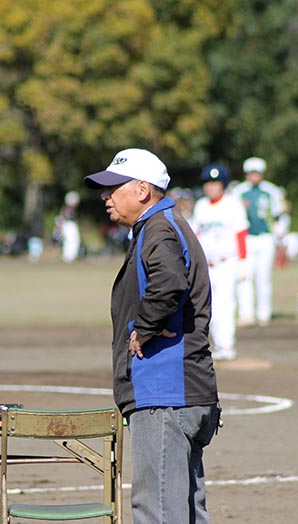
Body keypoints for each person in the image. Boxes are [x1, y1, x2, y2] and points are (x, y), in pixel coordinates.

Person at [84, 148, 221, 524]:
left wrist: (144, 327)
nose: (105, 196)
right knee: (187, 509)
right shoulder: (162, 225)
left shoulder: (158, 227)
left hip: (165, 392)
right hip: (183, 390)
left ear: (142, 190)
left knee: (157, 510)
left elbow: (169, 282)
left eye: (114, 187)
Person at [191, 164, 249, 360]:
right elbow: (196, 235)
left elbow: (241, 233)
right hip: (207, 265)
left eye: (215, 183)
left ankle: (226, 345)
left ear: (222, 184)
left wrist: (243, 261)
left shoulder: (232, 204)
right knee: (208, 306)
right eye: (208, 183)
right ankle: (216, 344)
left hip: (227, 263)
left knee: (225, 305)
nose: (211, 186)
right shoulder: (201, 206)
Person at [231, 156, 283, 327]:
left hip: (265, 237)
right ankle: (246, 314)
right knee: (245, 276)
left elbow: (277, 215)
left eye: (257, 173)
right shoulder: (239, 192)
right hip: (247, 238)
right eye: (251, 173)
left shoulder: (271, 191)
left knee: (263, 276)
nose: (254, 176)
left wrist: (279, 238)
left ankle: (263, 313)